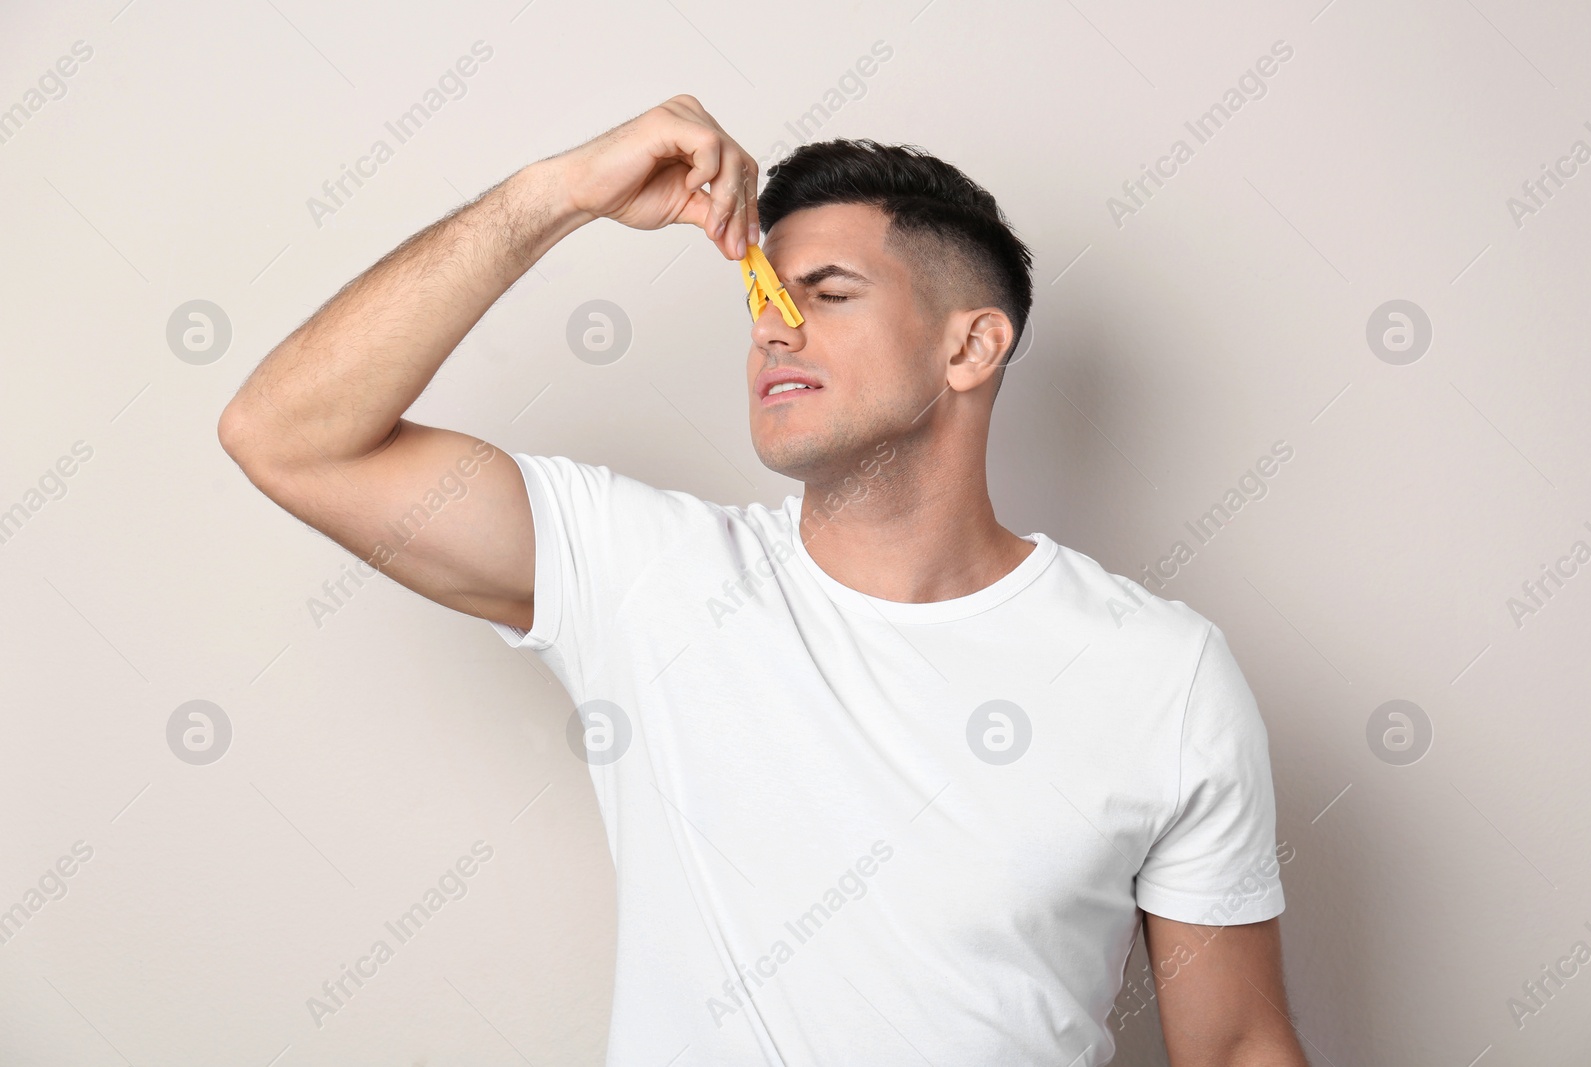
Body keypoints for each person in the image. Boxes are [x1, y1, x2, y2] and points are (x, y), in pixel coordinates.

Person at [219, 94, 1309, 1067]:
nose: (772, 328)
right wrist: (554, 195)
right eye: (759, 298)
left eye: (827, 292)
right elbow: (291, 437)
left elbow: (1234, 1044)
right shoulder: (650, 575)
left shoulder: (1159, 672)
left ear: (970, 347)